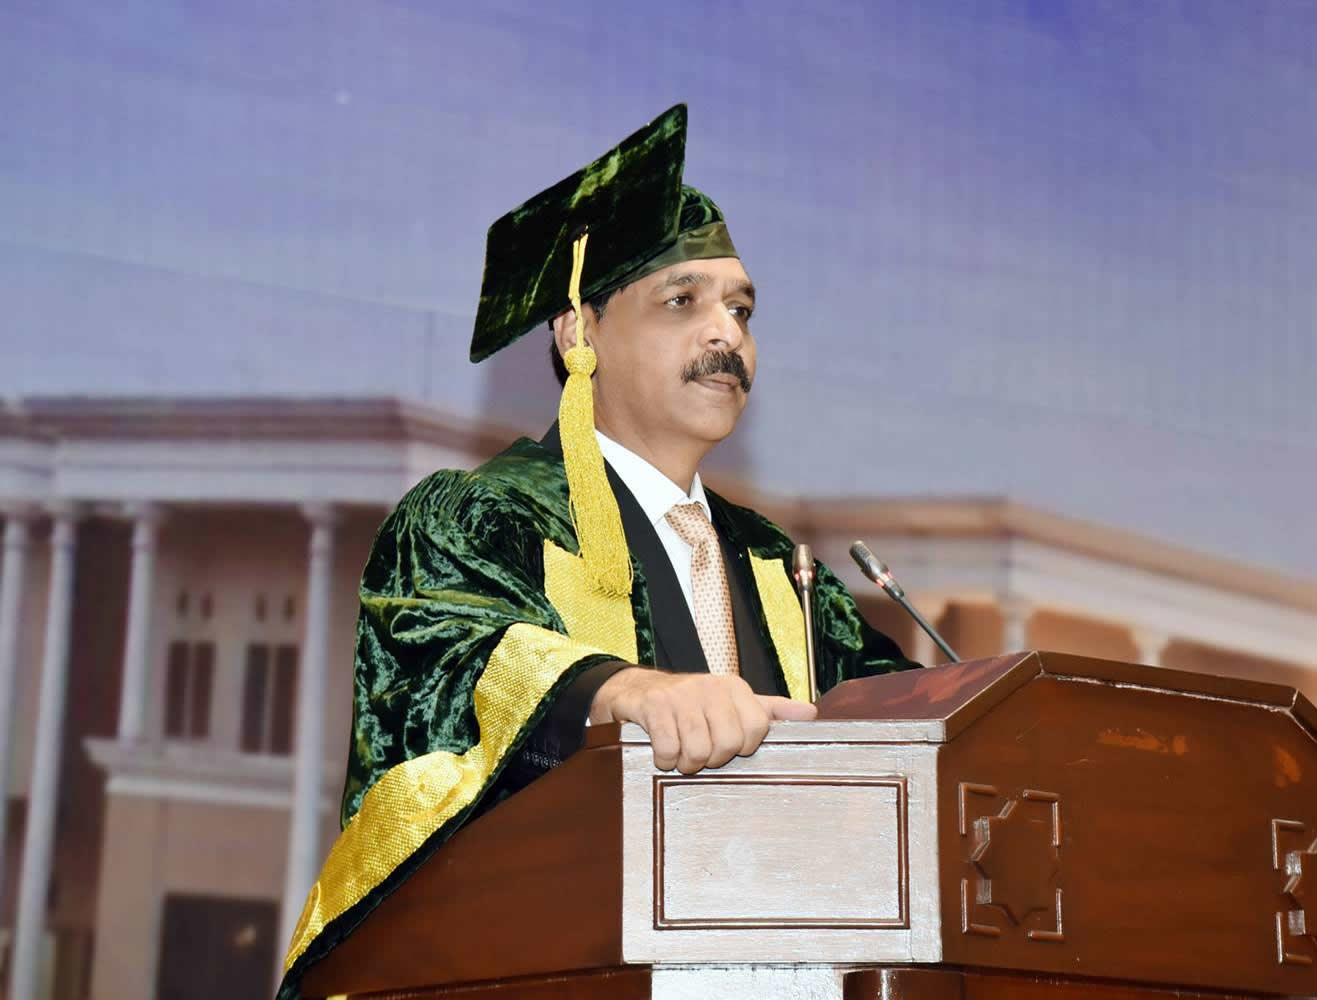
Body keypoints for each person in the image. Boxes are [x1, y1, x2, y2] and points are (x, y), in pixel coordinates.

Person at [276, 104, 918, 999]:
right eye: (683, 301)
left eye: (740, 308)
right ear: (579, 333)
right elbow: (446, 667)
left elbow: (905, 720)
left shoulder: (780, 566)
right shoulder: (480, 517)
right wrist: (627, 693)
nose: (727, 334)